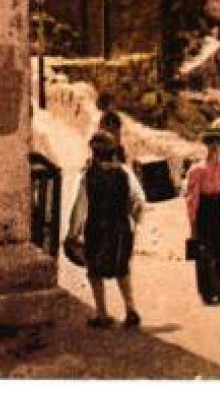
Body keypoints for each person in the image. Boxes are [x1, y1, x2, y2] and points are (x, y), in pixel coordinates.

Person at [67, 130, 144, 328]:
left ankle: (102, 315)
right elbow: (139, 200)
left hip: (97, 229)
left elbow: (79, 206)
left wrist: (73, 232)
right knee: (122, 269)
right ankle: (131, 309)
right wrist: (133, 220)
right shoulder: (124, 173)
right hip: (121, 228)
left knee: (94, 271)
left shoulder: (87, 176)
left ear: (94, 153)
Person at [185, 128, 220, 305]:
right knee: (205, 250)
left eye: (218, 145)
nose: (215, 149)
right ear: (207, 147)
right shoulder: (197, 169)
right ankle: (208, 292)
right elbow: (192, 198)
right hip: (205, 210)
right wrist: (192, 222)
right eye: (212, 145)